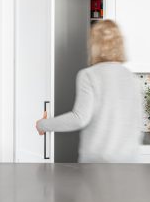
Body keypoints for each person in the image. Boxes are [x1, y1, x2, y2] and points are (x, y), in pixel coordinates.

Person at [36, 20, 143, 162]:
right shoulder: (132, 78)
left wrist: (43, 124)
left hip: (97, 164)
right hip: (129, 163)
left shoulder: (89, 75)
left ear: (94, 45)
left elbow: (80, 119)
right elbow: (137, 123)